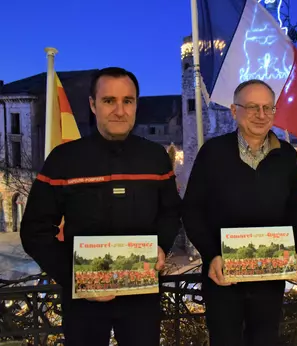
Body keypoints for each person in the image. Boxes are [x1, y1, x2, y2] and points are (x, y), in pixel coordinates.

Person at [20, 67, 181, 346]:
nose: (119, 110)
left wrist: (162, 246)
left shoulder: (155, 157)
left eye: (127, 101)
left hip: (142, 297)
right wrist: (75, 276)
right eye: (109, 101)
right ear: (93, 105)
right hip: (84, 302)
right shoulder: (64, 159)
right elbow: (34, 230)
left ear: (136, 105)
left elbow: (170, 211)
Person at [182, 79, 297, 346]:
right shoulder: (212, 153)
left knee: (265, 340)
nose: (261, 115)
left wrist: (293, 250)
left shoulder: (286, 155)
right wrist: (211, 254)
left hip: (269, 277)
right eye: (252, 107)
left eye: (267, 108)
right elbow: (192, 210)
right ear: (233, 110)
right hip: (222, 276)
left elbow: (296, 209)